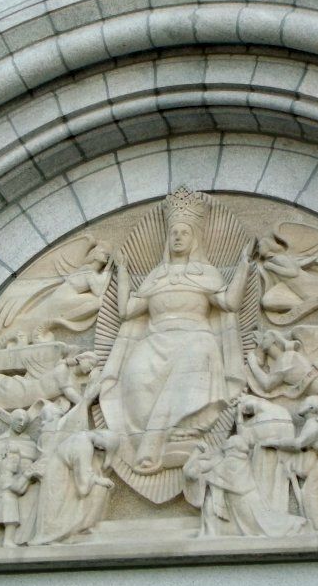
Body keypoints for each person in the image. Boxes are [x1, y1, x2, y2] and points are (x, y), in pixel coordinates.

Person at [98, 189, 251, 475]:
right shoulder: (156, 276)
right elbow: (127, 311)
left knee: (195, 359)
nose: (178, 237)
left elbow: (229, 303)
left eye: (184, 232)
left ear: (194, 239)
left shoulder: (207, 273)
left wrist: (242, 266)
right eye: (173, 233)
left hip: (195, 339)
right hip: (155, 341)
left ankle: (180, 434)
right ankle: (151, 439)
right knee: (135, 378)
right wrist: (122, 274)